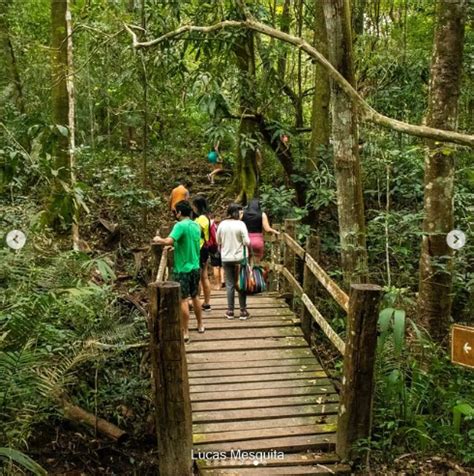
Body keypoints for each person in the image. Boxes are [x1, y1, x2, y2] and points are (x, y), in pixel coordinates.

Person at [152, 200, 204, 341]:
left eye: (175, 211)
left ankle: (185, 331)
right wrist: (176, 246)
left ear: (180, 212)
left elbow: (169, 240)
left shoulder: (179, 226)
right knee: (196, 297)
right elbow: (188, 242)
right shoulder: (196, 225)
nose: (175, 214)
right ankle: (200, 325)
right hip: (195, 266)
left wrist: (159, 239)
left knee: (183, 300)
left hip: (183, 268)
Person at [217, 203, 251, 320]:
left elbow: (218, 240)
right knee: (241, 283)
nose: (242, 214)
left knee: (230, 284)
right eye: (240, 212)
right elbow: (247, 242)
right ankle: (243, 311)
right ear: (235, 213)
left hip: (226, 258)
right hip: (240, 258)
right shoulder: (241, 224)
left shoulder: (222, 224)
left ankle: (230, 311)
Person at [241, 199, 280, 264]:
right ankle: (254, 273)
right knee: (255, 265)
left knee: (245, 265)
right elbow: (267, 229)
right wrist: (275, 231)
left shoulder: (243, 214)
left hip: (245, 240)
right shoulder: (262, 214)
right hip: (257, 241)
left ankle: (246, 273)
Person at [192, 195, 212, 312]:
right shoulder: (206, 218)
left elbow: (195, 234)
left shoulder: (201, 219)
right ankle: (206, 303)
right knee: (203, 276)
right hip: (204, 248)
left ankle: (198, 302)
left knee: (199, 277)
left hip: (199, 249)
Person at [210, 215, 225, 290]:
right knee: (222, 265)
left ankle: (217, 284)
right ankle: (222, 280)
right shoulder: (223, 226)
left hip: (214, 248)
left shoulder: (211, 226)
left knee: (216, 266)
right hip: (223, 248)